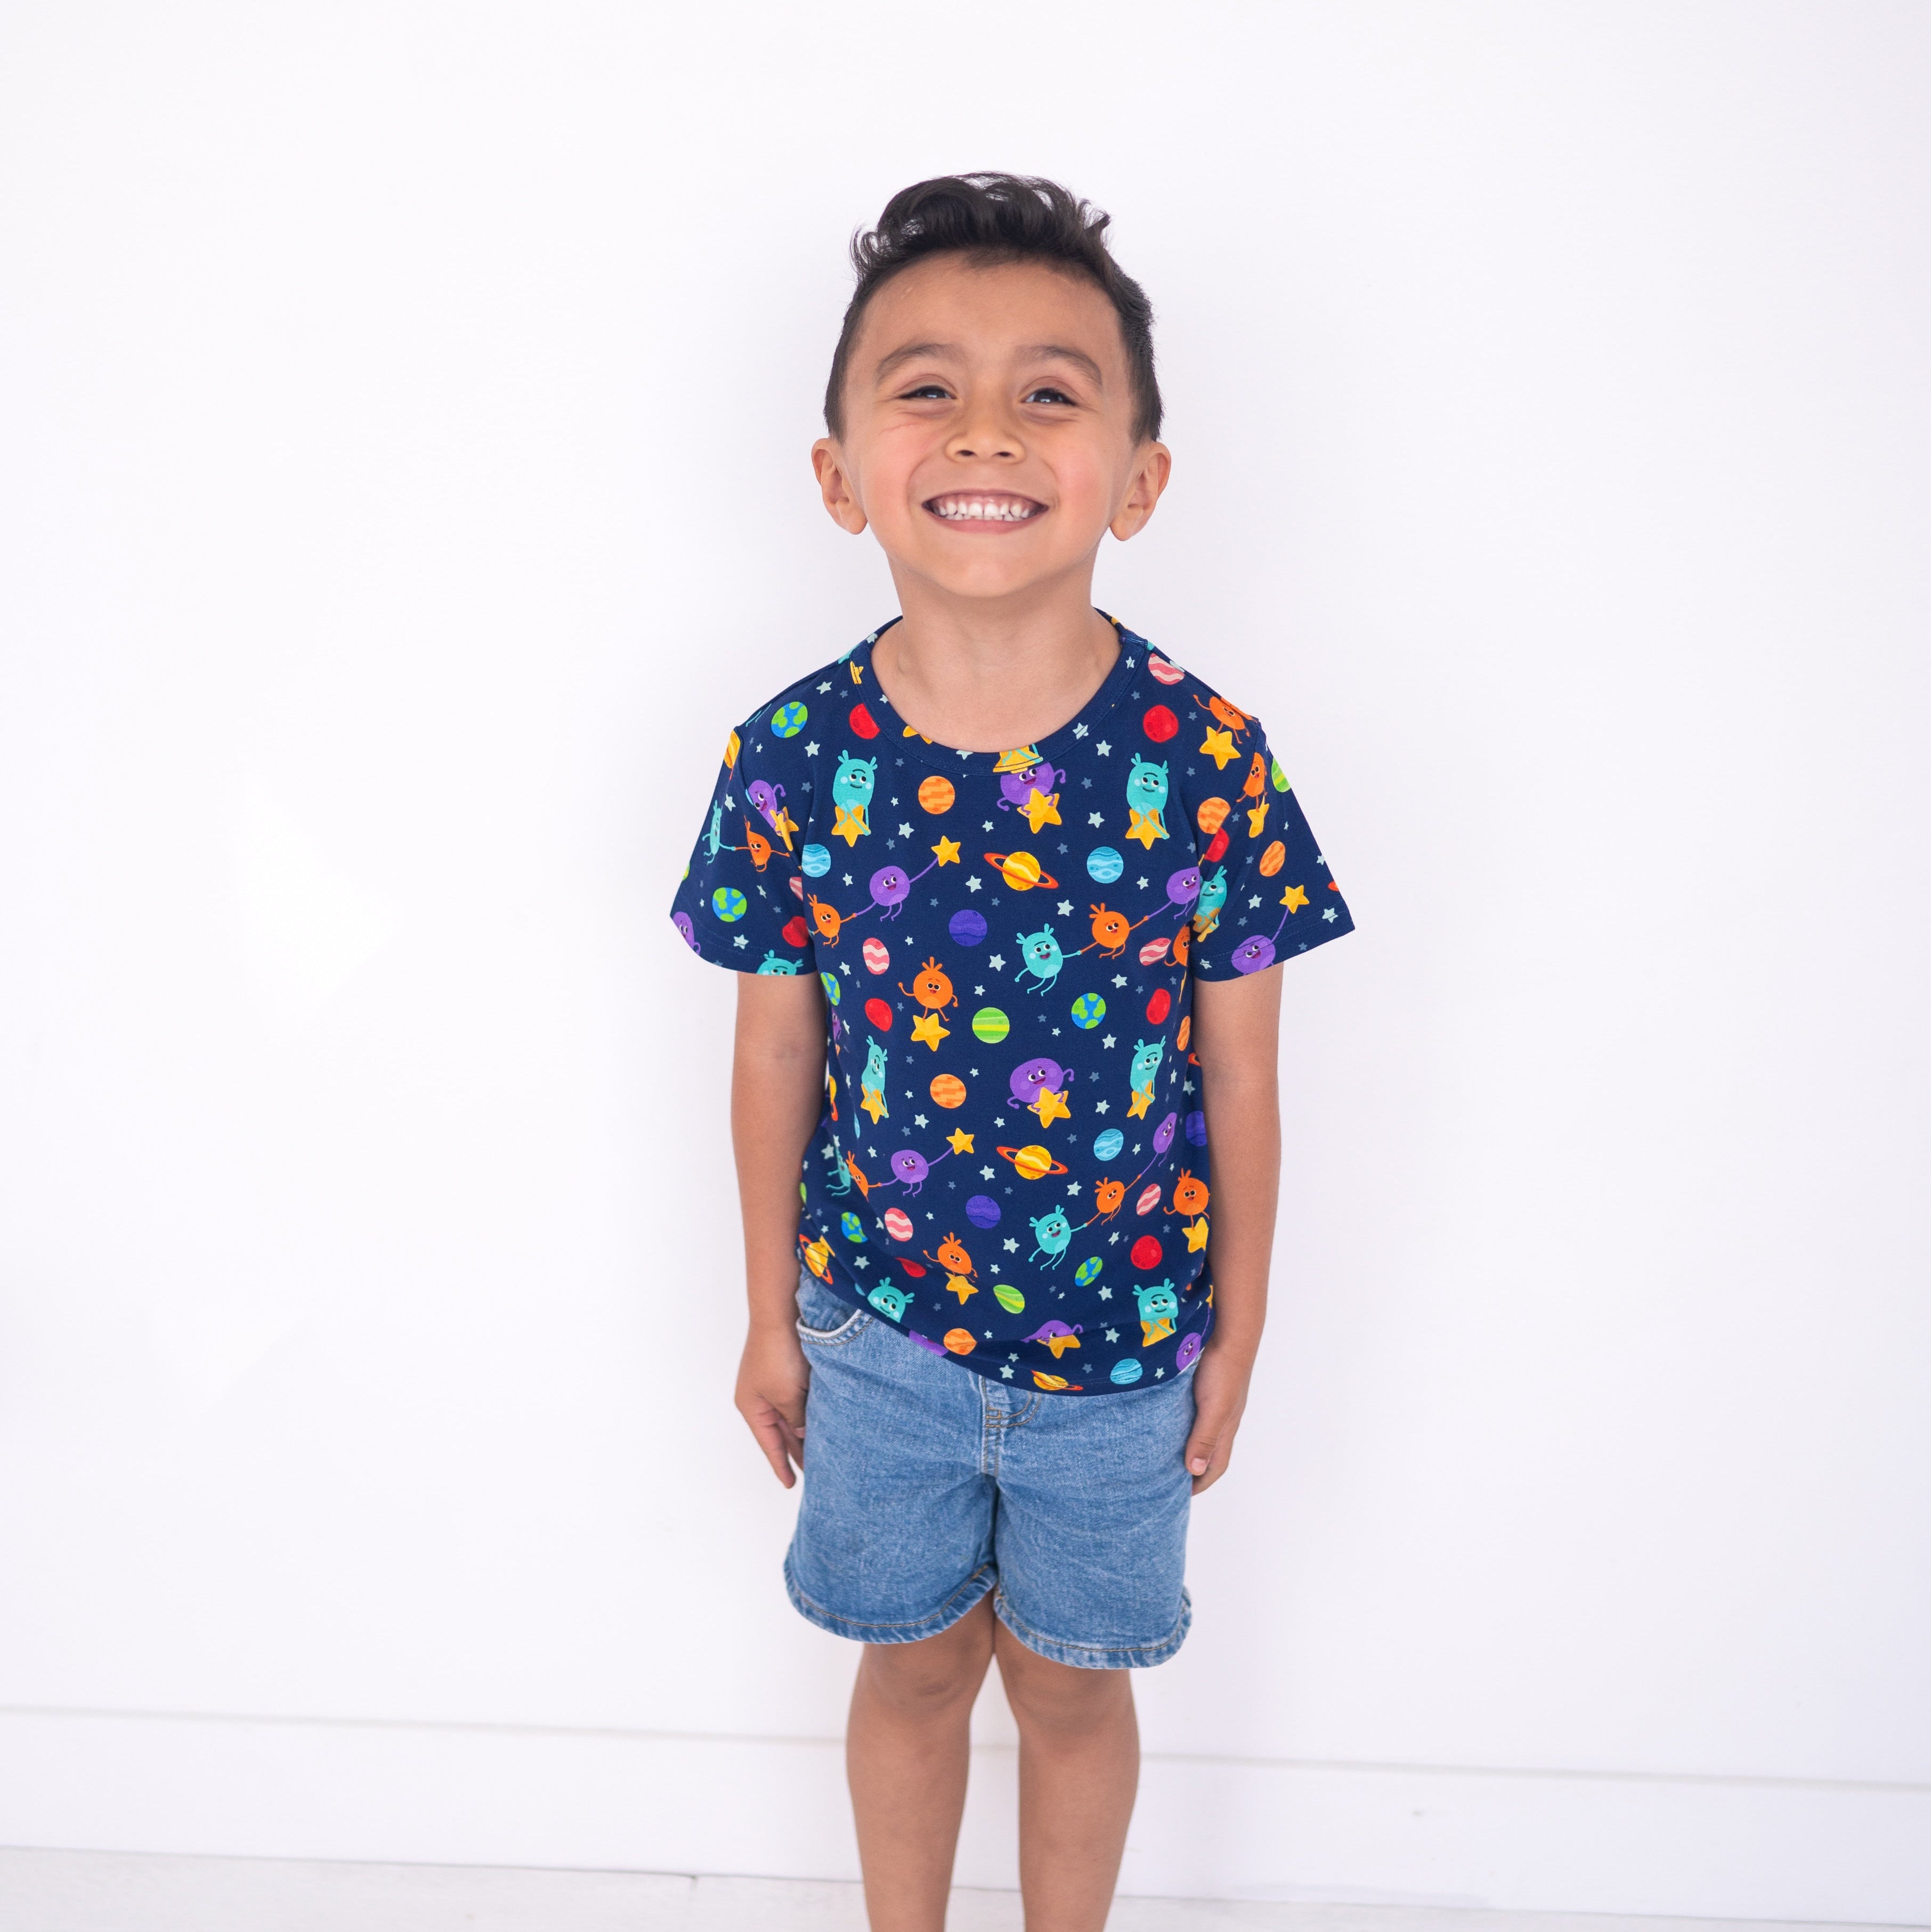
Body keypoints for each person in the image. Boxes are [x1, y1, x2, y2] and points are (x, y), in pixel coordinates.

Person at [670, 174, 1353, 1932]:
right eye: (926, 386)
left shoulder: (1209, 762)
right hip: (875, 1336)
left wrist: (1242, 1324)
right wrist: (766, 1306)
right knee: (908, 1674)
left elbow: (1244, 1078)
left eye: (1051, 390)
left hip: (1122, 1354)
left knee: (1068, 1685)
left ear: (1139, 476)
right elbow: (771, 1060)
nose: (987, 426)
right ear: (839, 474)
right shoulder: (791, 757)